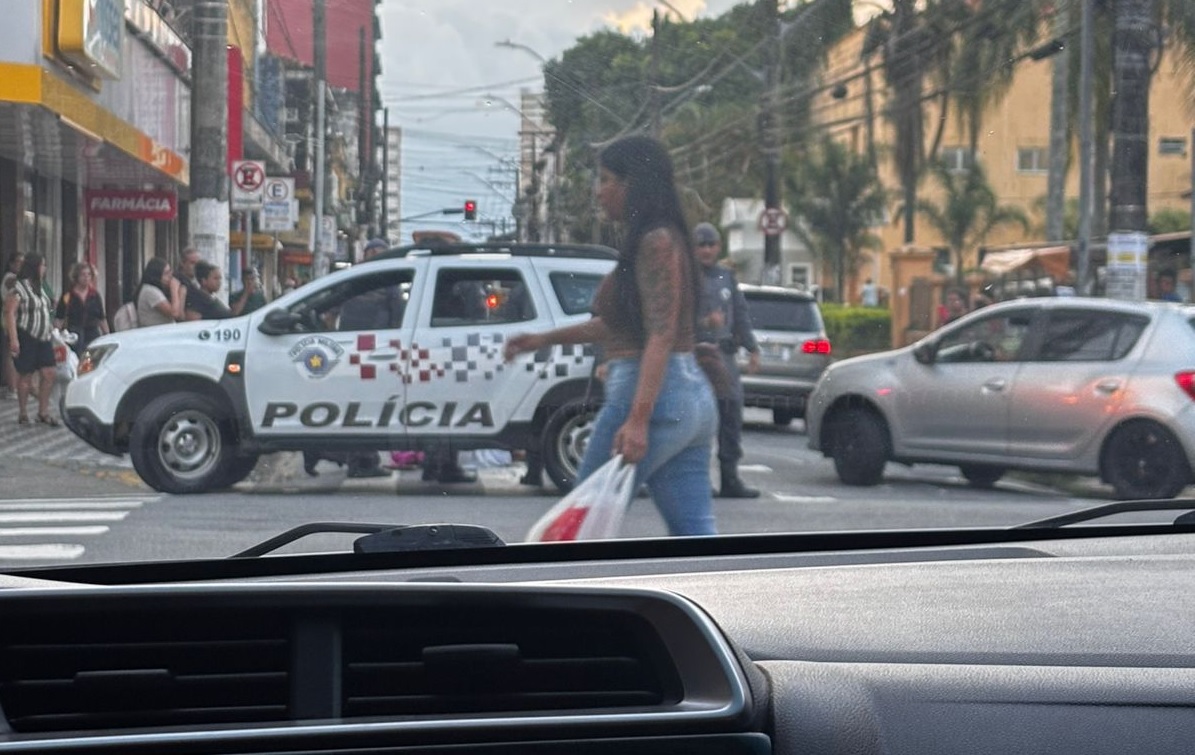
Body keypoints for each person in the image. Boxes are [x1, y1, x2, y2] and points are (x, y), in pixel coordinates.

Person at [504, 135, 718, 537]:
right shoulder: (664, 237)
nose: (599, 193)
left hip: (652, 393)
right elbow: (621, 327)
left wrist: (637, 419)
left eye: (605, 180)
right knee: (695, 536)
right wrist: (541, 339)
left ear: (631, 183)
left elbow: (661, 334)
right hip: (689, 399)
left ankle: (566, 598)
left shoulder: (656, 241)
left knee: (578, 529)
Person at [693, 222, 762, 499]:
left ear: (719, 247)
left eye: (712, 244)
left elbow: (741, 315)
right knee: (699, 420)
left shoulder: (727, 277)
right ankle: (698, 480)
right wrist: (704, 322)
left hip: (725, 355)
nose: (707, 250)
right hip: (695, 355)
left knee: (731, 413)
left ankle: (730, 477)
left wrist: (752, 348)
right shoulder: (685, 278)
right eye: (702, 244)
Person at [3, 254, 59, 426]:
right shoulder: (19, 288)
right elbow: (9, 312)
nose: (45, 269)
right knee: (26, 375)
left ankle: (43, 411)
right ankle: (23, 412)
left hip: (44, 336)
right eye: (42, 265)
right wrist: (14, 339)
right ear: (35, 267)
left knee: (49, 372)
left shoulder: (40, 287)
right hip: (27, 334)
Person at [55, 262, 108, 356]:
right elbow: (60, 317)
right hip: (74, 335)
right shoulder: (68, 295)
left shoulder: (95, 295)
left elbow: (102, 318)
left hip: (92, 334)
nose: (86, 277)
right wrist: (56, 336)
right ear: (76, 277)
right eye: (83, 275)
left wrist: (107, 335)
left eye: (89, 274)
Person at [136, 257, 187, 327]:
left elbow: (180, 316)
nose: (170, 277)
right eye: (166, 273)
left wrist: (181, 294)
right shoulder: (150, 291)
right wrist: (174, 290)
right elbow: (174, 313)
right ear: (156, 275)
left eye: (170, 272)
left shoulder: (158, 290)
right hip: (155, 333)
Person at [1, 252, 24, 397]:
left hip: (18, 319)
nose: (20, 265)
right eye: (17, 262)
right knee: (10, 353)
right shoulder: (11, 279)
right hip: (11, 319)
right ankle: (12, 386)